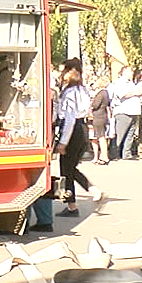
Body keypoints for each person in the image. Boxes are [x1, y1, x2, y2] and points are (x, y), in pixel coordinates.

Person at [54, 58, 105, 217]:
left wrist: (63, 142)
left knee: (66, 169)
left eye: (65, 71)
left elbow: (69, 119)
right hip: (81, 128)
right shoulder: (83, 90)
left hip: (72, 130)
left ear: (71, 72)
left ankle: (73, 204)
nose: (63, 75)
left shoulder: (70, 93)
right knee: (71, 168)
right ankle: (89, 191)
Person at [107, 66, 140, 161]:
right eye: (130, 71)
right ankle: (113, 153)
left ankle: (127, 154)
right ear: (125, 72)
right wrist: (136, 93)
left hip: (134, 112)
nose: (132, 73)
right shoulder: (119, 83)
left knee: (130, 134)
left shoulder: (131, 83)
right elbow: (122, 95)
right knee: (119, 134)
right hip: (124, 112)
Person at [89, 75, 111, 165]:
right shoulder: (105, 93)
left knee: (101, 136)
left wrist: (92, 102)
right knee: (101, 136)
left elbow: (95, 105)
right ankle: (103, 156)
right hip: (103, 115)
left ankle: (105, 157)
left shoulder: (101, 93)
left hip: (98, 116)